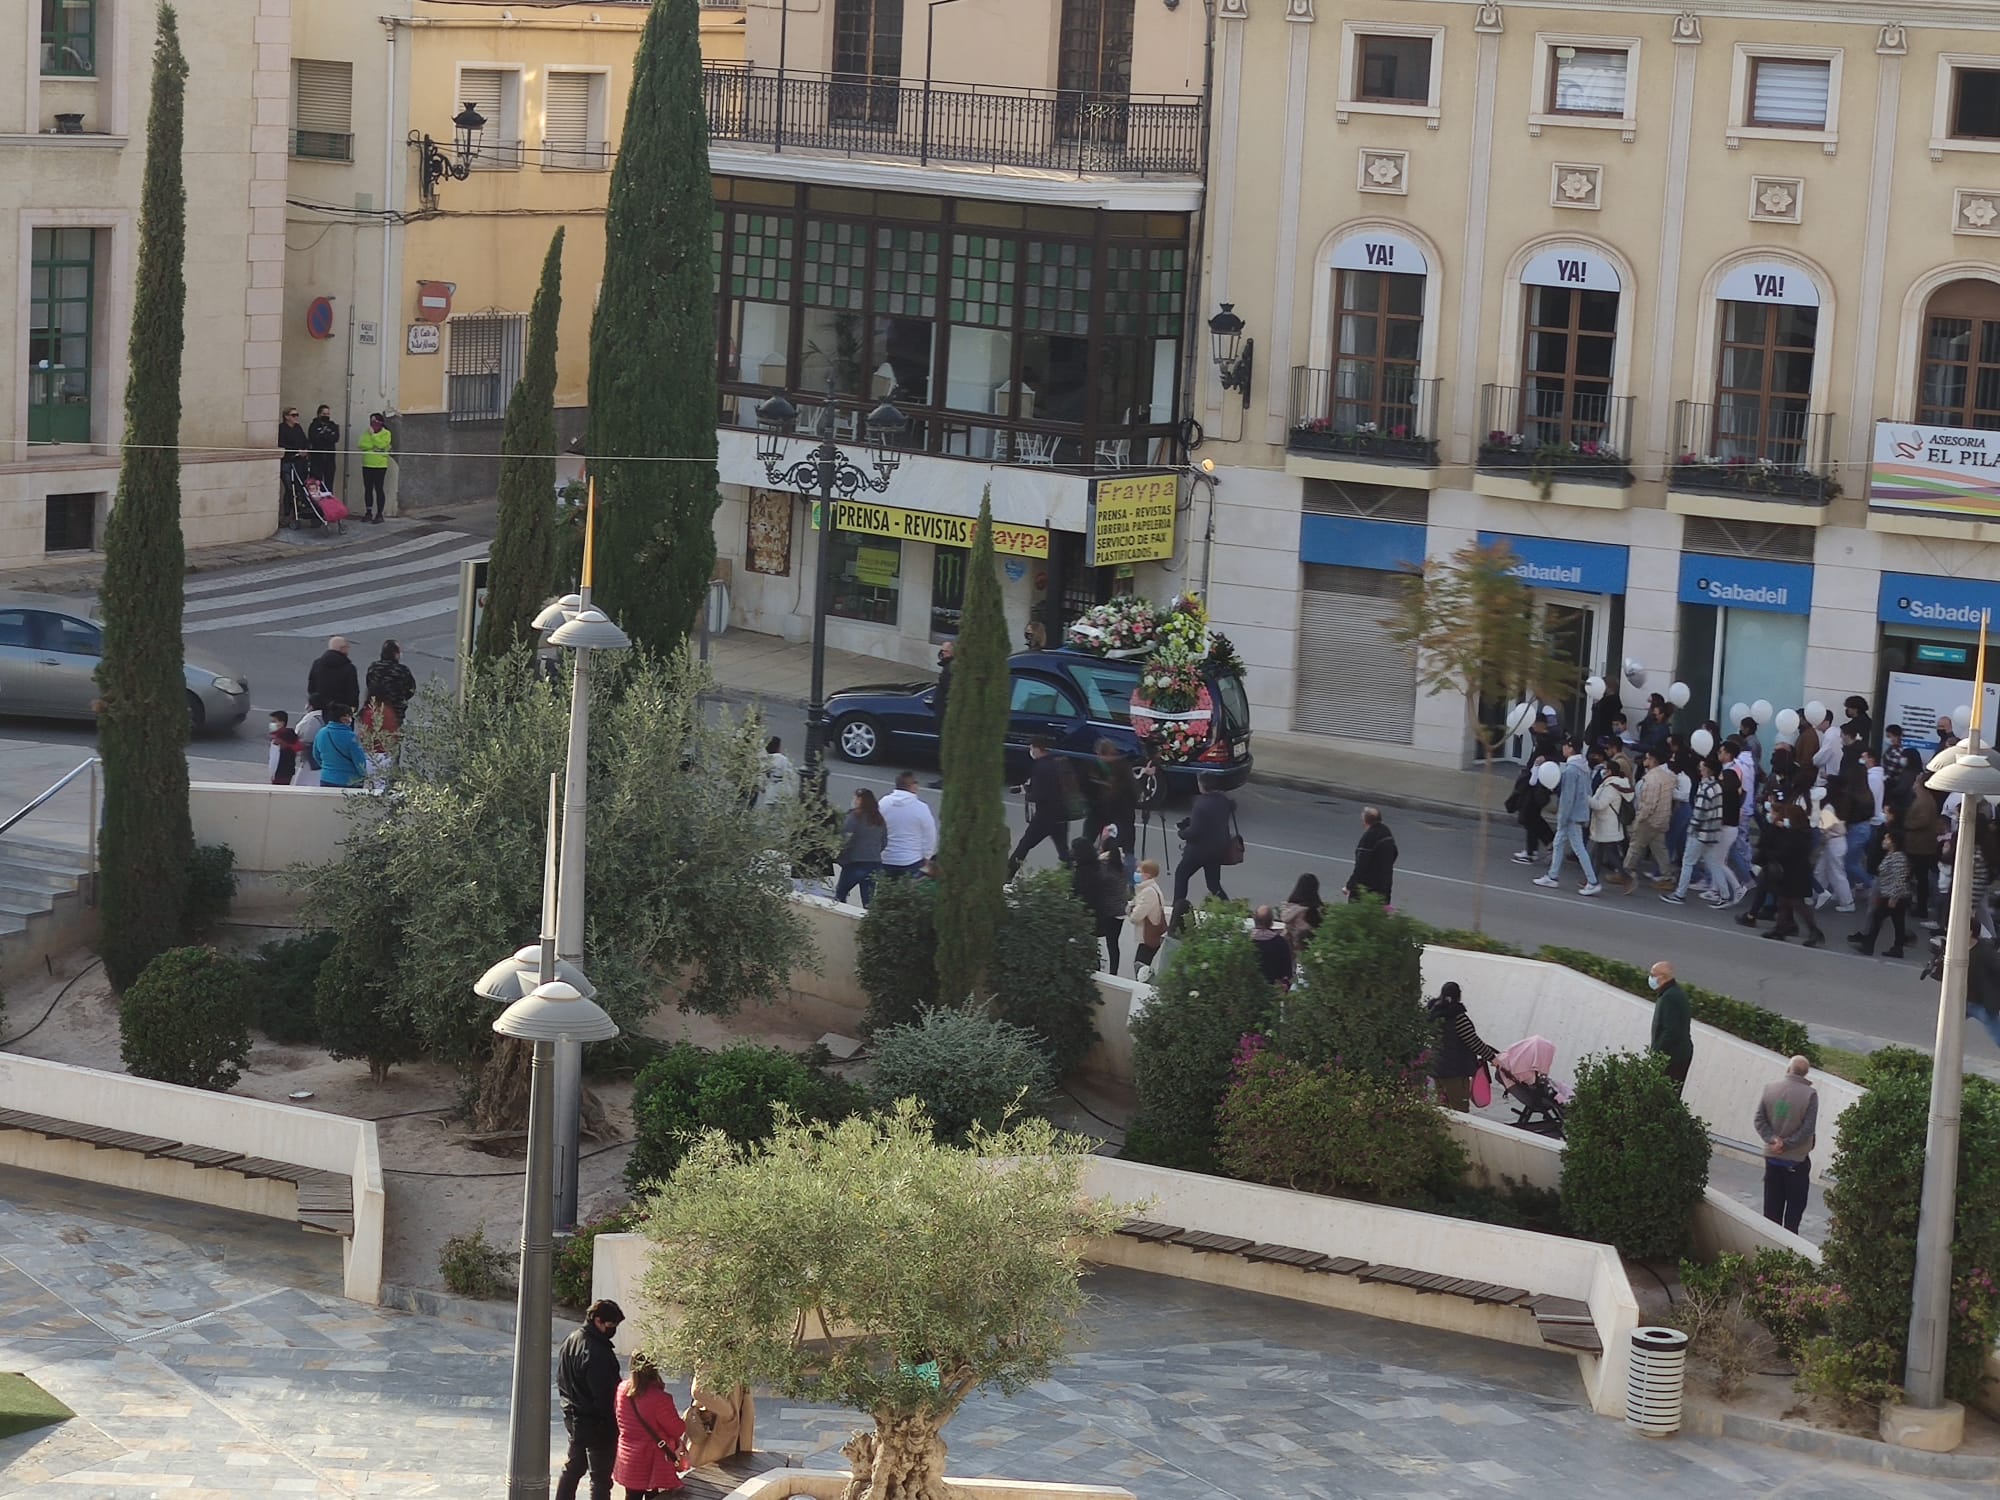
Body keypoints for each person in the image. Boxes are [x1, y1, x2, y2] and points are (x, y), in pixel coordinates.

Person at [556, 1298, 625, 1500]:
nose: (613, 1329)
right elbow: (605, 1395)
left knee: (573, 1469)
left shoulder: (572, 1340)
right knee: (601, 1479)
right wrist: (614, 1423)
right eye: (611, 1325)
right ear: (597, 1320)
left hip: (574, 1419)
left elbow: (561, 1379)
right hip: (598, 1424)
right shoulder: (597, 1353)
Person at [1754, 1056, 1818, 1235]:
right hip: (1796, 1160)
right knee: (1794, 1209)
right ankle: (1789, 1247)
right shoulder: (1810, 1095)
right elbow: (1808, 1128)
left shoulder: (1769, 1089)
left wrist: (1774, 1140)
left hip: (1772, 1157)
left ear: (1788, 1069)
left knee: (1771, 1207)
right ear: (1805, 1073)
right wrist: (1788, 1145)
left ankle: (1769, 1247)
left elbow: (1759, 1120)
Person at [611, 1348, 686, 1499]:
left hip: (629, 1457)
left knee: (631, 1496)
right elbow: (677, 1429)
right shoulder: (660, 1398)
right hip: (652, 1460)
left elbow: (619, 1417)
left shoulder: (621, 1390)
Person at [1534, 737, 1601, 895]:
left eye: (1565, 745)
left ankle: (1592, 881)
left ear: (1570, 748)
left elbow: (1567, 797)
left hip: (1571, 815)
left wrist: (1562, 817)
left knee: (1578, 848)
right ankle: (1553, 876)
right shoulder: (1583, 767)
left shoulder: (1571, 770)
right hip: (1579, 812)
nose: (1563, 748)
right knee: (1558, 843)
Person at [1170, 772, 1237, 925]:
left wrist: (1181, 832)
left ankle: (1177, 909)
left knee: (1181, 875)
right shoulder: (1223, 800)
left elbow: (1194, 832)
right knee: (1213, 883)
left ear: (1203, 786)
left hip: (1199, 851)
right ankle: (1228, 909)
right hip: (1218, 849)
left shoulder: (1201, 804)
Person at [1009, 738, 1077, 875]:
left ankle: (1008, 874)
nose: (1031, 751)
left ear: (1037, 749)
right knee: (1063, 850)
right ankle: (1074, 877)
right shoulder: (1058, 762)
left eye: (1031, 748)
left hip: (1045, 816)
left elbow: (1040, 794)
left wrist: (1028, 795)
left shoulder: (1040, 767)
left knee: (1024, 845)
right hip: (1062, 814)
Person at [1762, 801, 1826, 947]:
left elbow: (1785, 852)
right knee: (1784, 901)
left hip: (1795, 873)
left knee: (1797, 903)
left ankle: (1814, 931)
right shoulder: (1802, 833)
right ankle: (1780, 928)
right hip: (1794, 872)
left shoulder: (1796, 835)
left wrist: (1772, 853)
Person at [1428, 980, 1498, 1112]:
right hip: (1455, 1071)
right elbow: (1473, 1041)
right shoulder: (1458, 1018)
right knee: (1459, 1108)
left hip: (1437, 1068)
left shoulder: (1434, 1015)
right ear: (1459, 996)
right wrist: (1493, 1058)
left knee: (1442, 1106)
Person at [1619, 748, 1676, 891]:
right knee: (1660, 849)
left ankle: (1626, 873)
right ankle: (1667, 877)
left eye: (1647, 758)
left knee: (1635, 846)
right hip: (1662, 819)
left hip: (1649, 820)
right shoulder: (1669, 777)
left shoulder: (1651, 779)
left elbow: (1648, 805)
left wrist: (1639, 819)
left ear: (1653, 761)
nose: (1645, 760)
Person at [1849, 828, 1912, 957]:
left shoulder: (1897, 857)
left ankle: (1869, 946)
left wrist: (1893, 898)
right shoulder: (1892, 855)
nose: (1884, 841)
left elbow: (1899, 878)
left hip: (1894, 896)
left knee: (1878, 919)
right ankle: (1897, 947)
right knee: (1897, 922)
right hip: (1892, 894)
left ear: (1893, 842)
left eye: (1887, 839)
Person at [1072, 835, 1129, 975]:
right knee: (1113, 944)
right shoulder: (1121, 867)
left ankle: (1098, 969)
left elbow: (1097, 880)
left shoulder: (1103, 867)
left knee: (1095, 940)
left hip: (1108, 911)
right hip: (1121, 910)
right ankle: (1113, 972)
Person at [1084, 738, 1137, 875]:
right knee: (1124, 851)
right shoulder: (1124, 767)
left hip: (1110, 813)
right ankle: (1127, 883)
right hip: (1116, 815)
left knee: (1114, 850)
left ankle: (1090, 873)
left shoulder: (1102, 768)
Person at [878, 771, 938, 878]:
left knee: (885, 891)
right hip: (911, 860)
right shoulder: (921, 808)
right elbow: (930, 835)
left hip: (886, 858)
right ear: (913, 786)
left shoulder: (883, 803)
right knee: (907, 892)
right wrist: (927, 856)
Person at [835, 788, 887, 907]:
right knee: (868, 900)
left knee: (840, 894)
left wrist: (841, 854)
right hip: (874, 862)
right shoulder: (879, 818)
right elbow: (884, 841)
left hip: (855, 862)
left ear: (860, 800)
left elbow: (845, 837)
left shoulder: (854, 816)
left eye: (856, 798)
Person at [1648, 959, 1693, 1092]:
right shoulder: (1673, 993)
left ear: (1662, 977)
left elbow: (1670, 1031)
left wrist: (1657, 1054)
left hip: (1672, 1057)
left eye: (1653, 975)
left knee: (1664, 1094)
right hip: (1677, 1055)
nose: (1650, 978)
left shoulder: (1669, 997)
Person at [1587, 752, 1633, 882]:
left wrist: (1585, 798)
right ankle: (1592, 878)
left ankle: (1626, 878)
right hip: (1606, 825)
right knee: (1599, 854)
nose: (1603, 771)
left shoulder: (1611, 787)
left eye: (1605, 769)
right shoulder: (1611, 784)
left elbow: (1600, 804)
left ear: (1610, 771)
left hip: (1607, 825)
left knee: (1609, 855)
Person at [1346, 806, 1397, 906]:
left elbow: (1361, 865)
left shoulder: (1368, 838)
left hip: (1367, 887)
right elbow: (1395, 852)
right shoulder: (1386, 832)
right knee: (1380, 912)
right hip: (1385, 884)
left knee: (1357, 910)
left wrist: (1350, 886)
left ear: (1365, 821)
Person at [1126, 859, 1167, 974]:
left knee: (1140, 969)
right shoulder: (1154, 888)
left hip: (1147, 937)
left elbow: (1136, 916)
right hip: (1152, 936)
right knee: (1142, 968)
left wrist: (1131, 911)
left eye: (1139, 871)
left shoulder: (1148, 892)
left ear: (1147, 875)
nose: (1136, 874)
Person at [313, 704, 368, 789]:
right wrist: (364, 775)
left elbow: (316, 755)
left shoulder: (321, 733)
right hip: (351, 781)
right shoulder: (351, 737)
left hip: (326, 778)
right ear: (344, 718)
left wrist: (326, 768)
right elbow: (359, 761)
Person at [365, 639, 416, 720]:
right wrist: (401, 698)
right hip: (395, 711)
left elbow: (369, 684)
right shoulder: (401, 670)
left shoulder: (373, 668)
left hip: (375, 709)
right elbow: (411, 689)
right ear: (395, 654)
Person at [307, 635, 359, 713]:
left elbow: (311, 687)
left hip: (319, 709)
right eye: (347, 647)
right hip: (340, 711)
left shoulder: (317, 663)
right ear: (342, 648)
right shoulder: (349, 668)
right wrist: (352, 710)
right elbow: (352, 693)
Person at [927, 641, 953, 788]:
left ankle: (947, 779)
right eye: (941, 651)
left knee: (947, 748)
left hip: (947, 718)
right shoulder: (947, 669)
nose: (942, 654)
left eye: (946, 652)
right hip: (943, 714)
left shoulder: (950, 670)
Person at [358, 412, 393, 522]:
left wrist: (373, 436)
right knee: (368, 489)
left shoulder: (386, 433)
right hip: (367, 464)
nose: (372, 424)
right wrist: (374, 447)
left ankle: (379, 514)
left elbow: (383, 445)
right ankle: (368, 512)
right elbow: (361, 444)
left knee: (378, 488)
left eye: (374, 421)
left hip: (380, 465)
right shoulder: (366, 432)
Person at [1251, 904, 1294, 989]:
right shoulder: (1280, 942)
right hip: (1274, 990)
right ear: (1271, 922)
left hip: (1249, 990)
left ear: (1254, 920)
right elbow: (1287, 971)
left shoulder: (1245, 942)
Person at [1280, 872, 1324, 952]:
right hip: (1310, 947)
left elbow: (1285, 918)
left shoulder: (1293, 908)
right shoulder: (1318, 908)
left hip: (1293, 946)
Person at [753, 736, 799, 810]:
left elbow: (761, 778)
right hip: (783, 792)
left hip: (770, 794)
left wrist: (762, 787)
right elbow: (790, 774)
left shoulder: (764, 760)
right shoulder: (782, 759)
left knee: (769, 816)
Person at [292, 704, 326, 788]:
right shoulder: (326, 716)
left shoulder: (312, 718)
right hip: (321, 754)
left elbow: (300, 732)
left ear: (311, 705)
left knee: (302, 779)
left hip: (310, 753)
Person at [307, 404, 340, 490]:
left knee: (329, 484)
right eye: (324, 414)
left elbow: (335, 438)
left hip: (330, 459)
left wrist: (323, 435)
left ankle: (329, 502)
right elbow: (314, 438)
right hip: (317, 459)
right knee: (316, 484)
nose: (326, 416)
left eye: (328, 414)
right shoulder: (313, 425)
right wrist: (327, 435)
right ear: (319, 414)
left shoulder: (332, 425)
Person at [267, 710, 304, 786]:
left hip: (282, 771)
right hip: (283, 771)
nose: (271, 724)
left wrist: (273, 773)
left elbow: (275, 758)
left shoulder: (284, 735)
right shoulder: (280, 735)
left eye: (274, 721)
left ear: (282, 723)